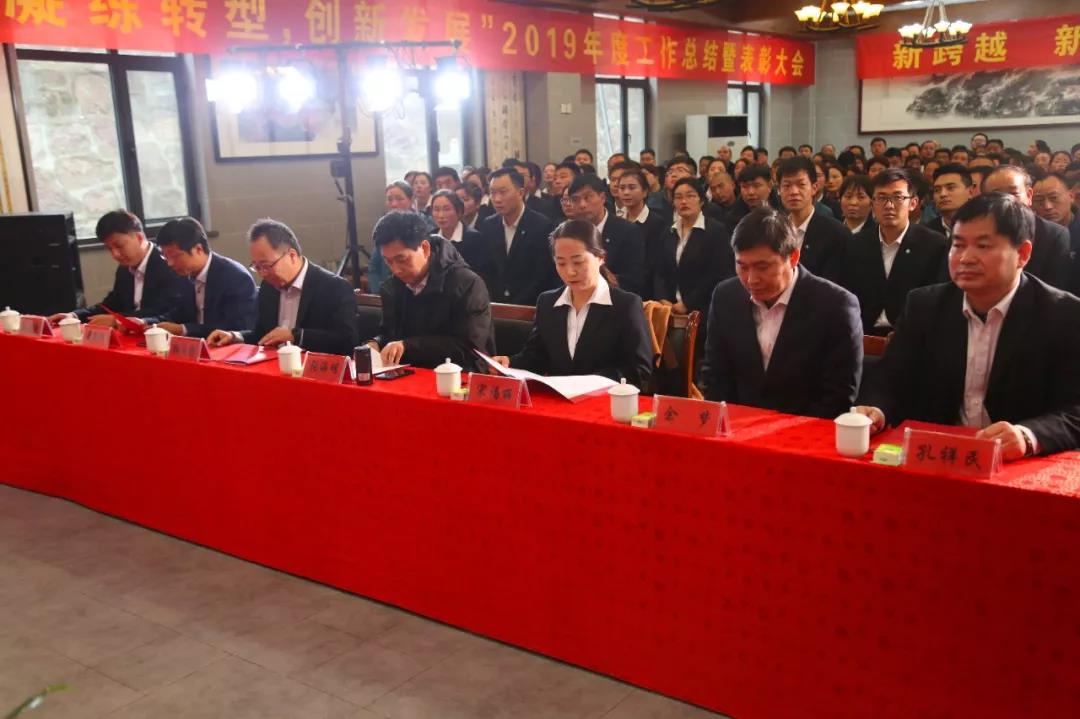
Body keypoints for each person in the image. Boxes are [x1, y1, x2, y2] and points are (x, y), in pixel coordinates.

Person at [855, 193, 1080, 460]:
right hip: (937, 456)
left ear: (1023, 254)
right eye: (958, 245)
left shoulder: (1064, 314)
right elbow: (890, 377)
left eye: (983, 246)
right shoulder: (924, 305)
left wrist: (1028, 436)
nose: (965, 258)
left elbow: (1074, 410)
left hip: (1018, 462)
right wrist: (876, 409)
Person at [701, 207, 862, 419]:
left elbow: (838, 396)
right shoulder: (726, 296)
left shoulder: (835, 306)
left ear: (793, 256)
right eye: (742, 267)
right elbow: (715, 377)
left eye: (762, 267)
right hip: (738, 427)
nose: (751, 280)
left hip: (805, 430)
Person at [492, 220, 652, 388]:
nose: (569, 271)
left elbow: (639, 370)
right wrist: (508, 363)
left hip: (603, 400)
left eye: (578, 262)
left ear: (601, 258)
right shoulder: (548, 302)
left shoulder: (625, 305)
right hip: (557, 400)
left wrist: (585, 384)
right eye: (561, 263)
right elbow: (536, 357)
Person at [207, 219, 357, 356]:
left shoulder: (334, 287)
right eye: (257, 267)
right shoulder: (268, 287)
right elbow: (262, 335)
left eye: (266, 266)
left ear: (291, 255)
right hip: (274, 367)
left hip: (311, 371)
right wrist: (235, 336)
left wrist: (296, 336)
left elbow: (347, 342)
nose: (263, 274)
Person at [365, 211, 494, 370]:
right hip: (408, 373)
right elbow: (389, 334)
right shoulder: (392, 287)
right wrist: (376, 343)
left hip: (459, 376)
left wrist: (407, 346)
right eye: (388, 261)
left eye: (402, 259)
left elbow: (469, 349)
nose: (396, 270)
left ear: (425, 248)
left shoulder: (466, 284)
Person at [841, 168, 948, 336]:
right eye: (881, 198)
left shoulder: (935, 245)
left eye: (898, 197)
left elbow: (936, 300)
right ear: (872, 203)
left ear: (913, 203)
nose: (889, 205)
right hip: (863, 333)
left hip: (913, 335)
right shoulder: (855, 244)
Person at [49, 210, 189, 329]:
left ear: (139, 237)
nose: (115, 254)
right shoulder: (124, 269)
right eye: (110, 249)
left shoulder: (168, 265)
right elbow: (111, 305)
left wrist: (118, 320)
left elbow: (165, 311)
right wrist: (74, 316)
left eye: (120, 246)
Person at [152, 217, 258, 339]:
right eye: (165, 256)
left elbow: (237, 327)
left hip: (224, 346)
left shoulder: (235, 277)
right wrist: (148, 322)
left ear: (198, 249)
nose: (170, 263)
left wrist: (184, 329)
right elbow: (179, 312)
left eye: (175, 256)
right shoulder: (184, 274)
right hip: (194, 345)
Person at [653, 177, 734, 316]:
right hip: (670, 310)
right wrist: (663, 299)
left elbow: (718, 273)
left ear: (701, 200)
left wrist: (688, 303)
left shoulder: (715, 230)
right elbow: (659, 271)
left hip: (704, 310)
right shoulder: (669, 231)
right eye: (678, 197)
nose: (684, 201)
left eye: (690, 196)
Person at [982, 165, 1071, 290]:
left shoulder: (1053, 235)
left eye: (1014, 193)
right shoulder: (972, 232)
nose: (1006, 201)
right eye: (997, 195)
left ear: (1029, 195)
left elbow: (1055, 289)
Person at [478, 167, 557, 305]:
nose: (497, 199)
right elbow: (485, 269)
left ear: (520, 193)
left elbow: (543, 274)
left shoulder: (542, 225)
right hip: (495, 305)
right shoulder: (488, 225)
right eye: (492, 193)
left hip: (530, 305)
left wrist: (517, 306)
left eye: (503, 192)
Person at [567, 174, 646, 296]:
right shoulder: (568, 233)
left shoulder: (627, 231)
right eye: (575, 199)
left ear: (602, 197)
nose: (582, 205)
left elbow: (635, 279)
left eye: (588, 197)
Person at [777, 157, 847, 283]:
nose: (793, 192)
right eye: (786, 185)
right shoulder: (773, 230)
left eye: (801, 185)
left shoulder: (835, 233)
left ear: (814, 188)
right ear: (779, 190)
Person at [1030, 170, 1080, 294]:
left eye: (1054, 198)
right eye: (1039, 200)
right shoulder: (1031, 234)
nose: (1047, 206)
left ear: (1071, 196)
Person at [430, 189, 492, 286]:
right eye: (436, 209)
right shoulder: (430, 238)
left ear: (459, 211)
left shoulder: (475, 239)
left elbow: (481, 276)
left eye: (447, 209)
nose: (441, 215)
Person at [926, 164, 975, 238]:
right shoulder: (926, 232)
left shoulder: (985, 226)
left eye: (950, 188)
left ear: (970, 192)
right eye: (937, 190)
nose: (942, 194)